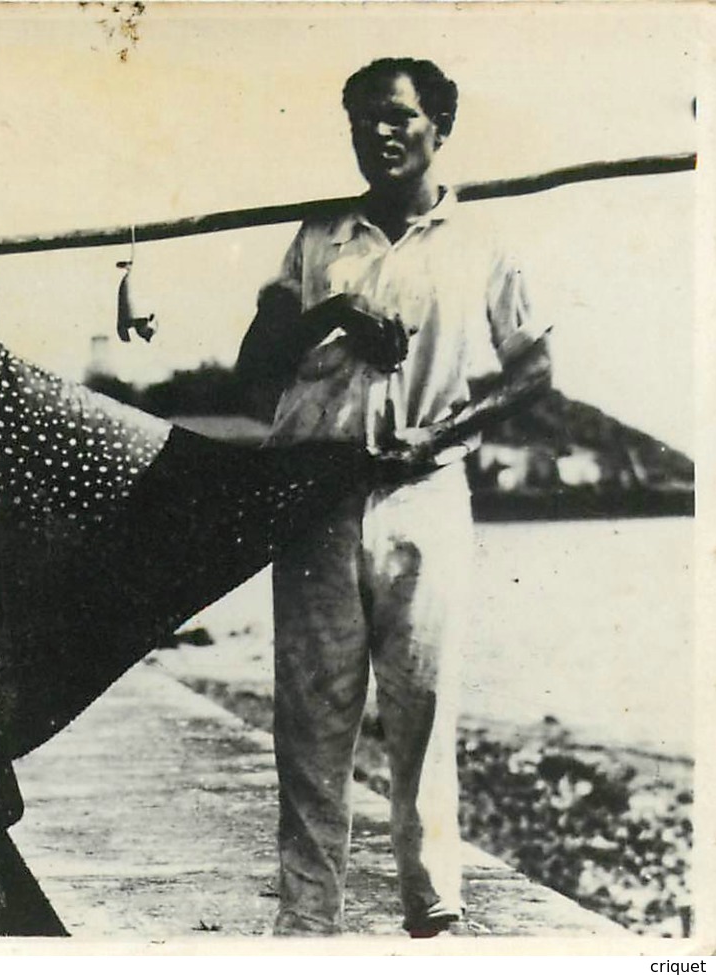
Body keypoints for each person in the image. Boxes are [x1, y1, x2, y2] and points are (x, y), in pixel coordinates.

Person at [235, 58, 554, 937]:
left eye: (397, 119)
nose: (377, 135)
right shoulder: (315, 239)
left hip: (423, 492)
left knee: (422, 703)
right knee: (309, 719)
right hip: (314, 497)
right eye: (360, 121)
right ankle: (306, 921)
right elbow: (252, 370)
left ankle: (433, 907)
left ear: (438, 128)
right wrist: (332, 312)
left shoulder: (482, 243)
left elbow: (534, 370)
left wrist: (444, 433)